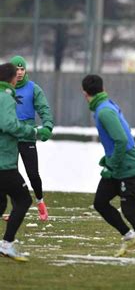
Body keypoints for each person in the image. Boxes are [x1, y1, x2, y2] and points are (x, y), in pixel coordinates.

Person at [81, 74, 135, 263]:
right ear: (102, 88)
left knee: (129, 212)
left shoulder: (104, 111)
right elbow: (124, 132)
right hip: (117, 166)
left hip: (130, 169)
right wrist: (109, 158)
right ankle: (129, 236)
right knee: (100, 202)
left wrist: (111, 164)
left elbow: (122, 140)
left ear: (84, 93)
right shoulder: (105, 105)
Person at [0, 63, 50, 261]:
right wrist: (34, 131)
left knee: (1, 202)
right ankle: (7, 243)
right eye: (16, 73)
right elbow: (9, 125)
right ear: (12, 78)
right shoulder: (6, 97)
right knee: (23, 200)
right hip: (4, 163)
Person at [3, 56, 54, 222]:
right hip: (9, 138)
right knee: (11, 174)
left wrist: (47, 125)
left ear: (25, 70)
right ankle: (15, 208)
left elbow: (44, 109)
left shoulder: (33, 88)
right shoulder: (4, 91)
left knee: (33, 173)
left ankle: (40, 202)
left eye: (22, 69)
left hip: (27, 135)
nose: (19, 73)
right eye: (16, 69)